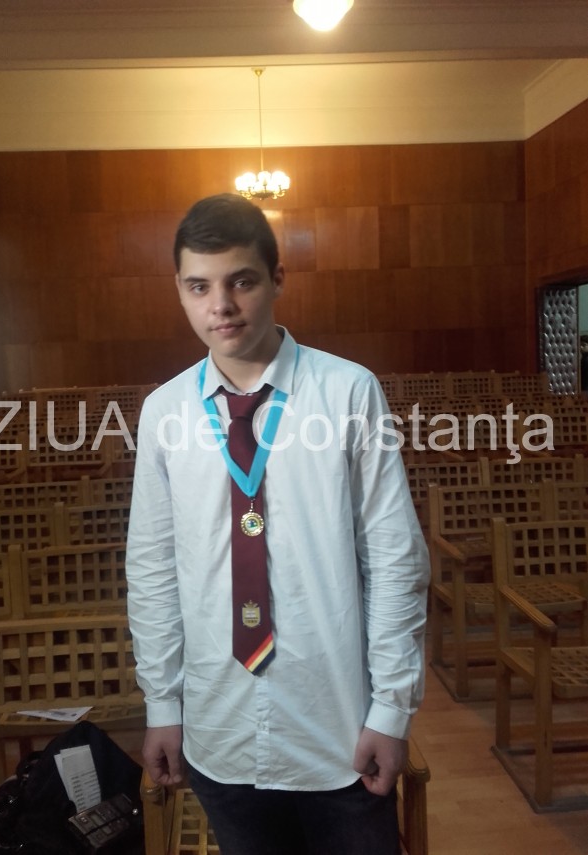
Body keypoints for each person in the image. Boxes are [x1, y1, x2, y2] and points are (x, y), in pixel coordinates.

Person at [126, 193, 430, 855]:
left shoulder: (348, 392)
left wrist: (391, 707)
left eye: (241, 281)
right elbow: (152, 568)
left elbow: (393, 558)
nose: (221, 306)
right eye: (199, 286)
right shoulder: (164, 411)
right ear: (179, 290)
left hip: (336, 726)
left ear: (277, 279)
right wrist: (163, 704)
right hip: (219, 727)